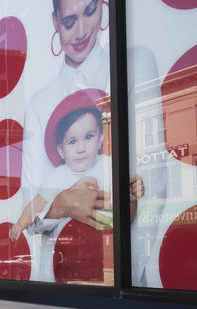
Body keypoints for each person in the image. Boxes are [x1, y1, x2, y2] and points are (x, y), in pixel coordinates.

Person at [21, 0, 165, 284]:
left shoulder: (134, 64)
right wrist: (63, 202)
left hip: (124, 273)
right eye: (68, 21)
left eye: (89, 12)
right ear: (54, 21)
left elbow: (154, 180)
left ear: (103, 7)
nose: (82, 30)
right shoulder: (39, 104)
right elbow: (31, 210)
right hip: (57, 276)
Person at [11, 107, 145, 243]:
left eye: (88, 137)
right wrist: (21, 223)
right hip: (71, 244)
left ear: (100, 139)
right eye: (72, 142)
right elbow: (38, 203)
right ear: (61, 150)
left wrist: (131, 199)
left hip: (105, 240)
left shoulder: (107, 164)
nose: (81, 149)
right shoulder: (58, 176)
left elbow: (122, 217)